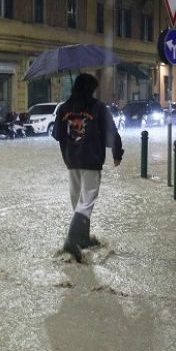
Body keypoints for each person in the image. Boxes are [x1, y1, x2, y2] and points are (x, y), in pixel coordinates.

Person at [51, 73, 124, 262]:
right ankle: (73, 240)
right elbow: (111, 131)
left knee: (77, 202)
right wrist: (117, 152)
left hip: (71, 160)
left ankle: (82, 238)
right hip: (91, 160)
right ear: (91, 89)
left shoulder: (64, 108)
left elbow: (58, 134)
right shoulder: (98, 107)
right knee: (87, 201)